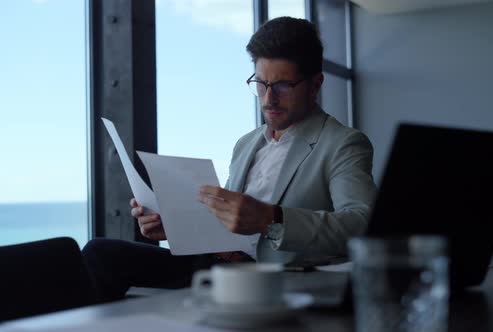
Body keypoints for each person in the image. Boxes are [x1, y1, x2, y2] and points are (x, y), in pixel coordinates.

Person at [82, 16, 376, 302]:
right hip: (212, 263)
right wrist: (173, 225)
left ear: (315, 84)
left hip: (265, 276)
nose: (268, 99)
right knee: (99, 253)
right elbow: (224, 226)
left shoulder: (342, 143)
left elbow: (362, 224)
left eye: (283, 86)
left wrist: (272, 219)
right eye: (261, 84)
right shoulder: (246, 144)